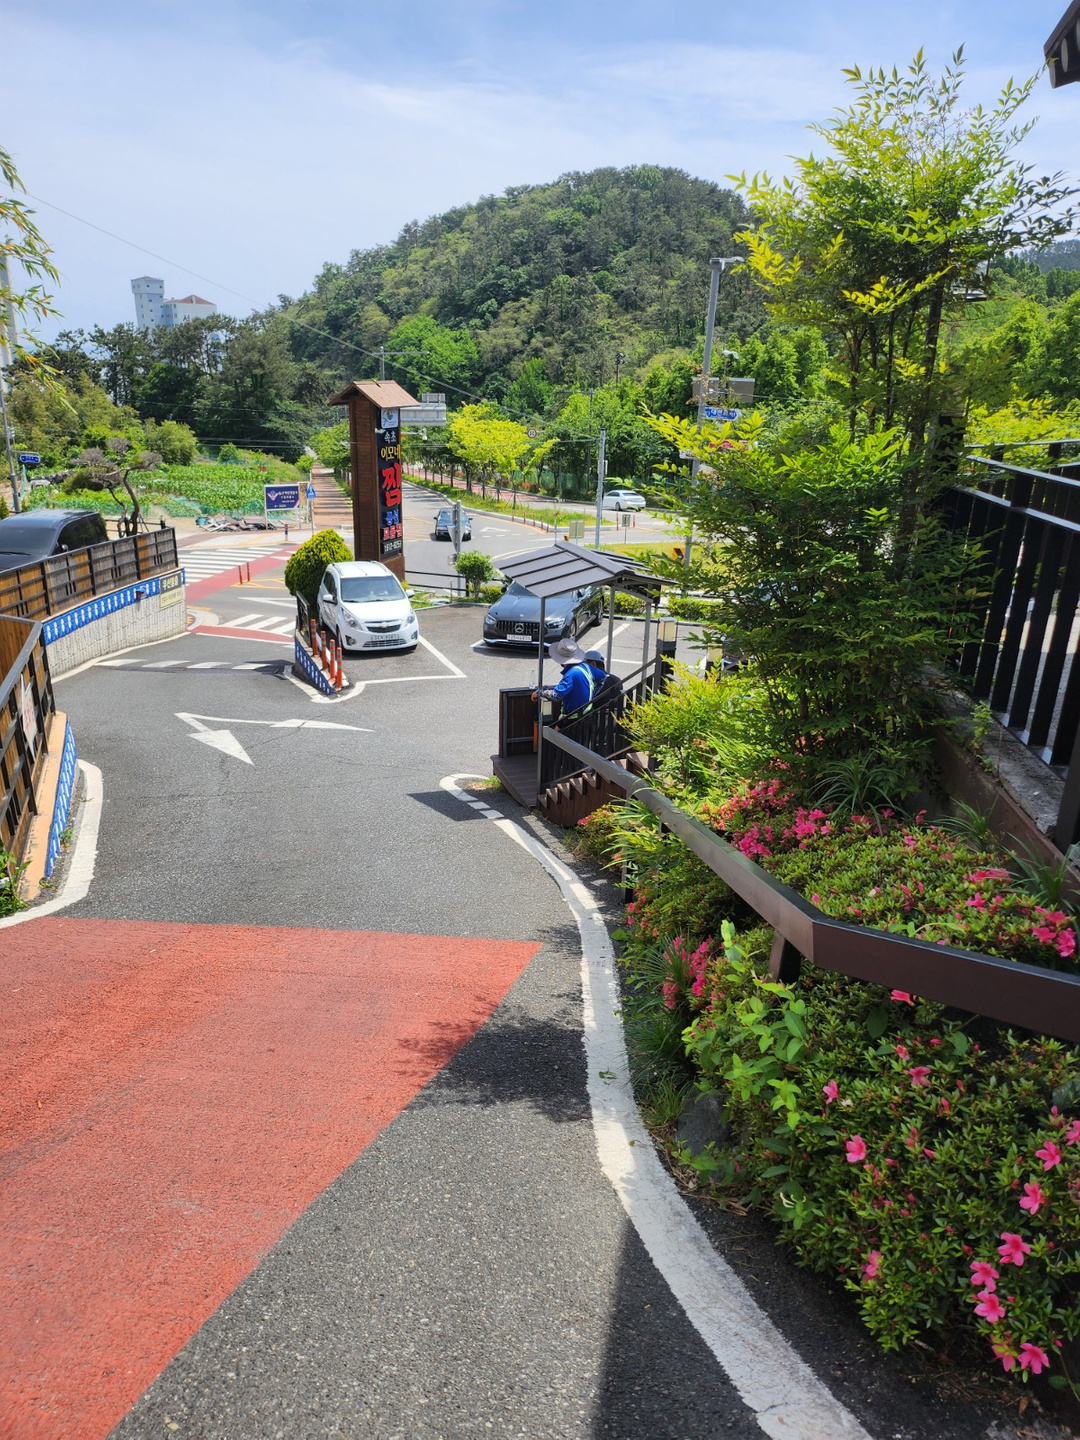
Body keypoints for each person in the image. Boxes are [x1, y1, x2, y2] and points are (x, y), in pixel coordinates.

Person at [532, 636, 595, 719]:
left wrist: (539, 692)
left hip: (574, 718)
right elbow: (602, 676)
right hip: (588, 712)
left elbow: (556, 696)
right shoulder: (586, 667)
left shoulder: (570, 675)